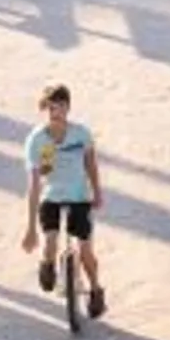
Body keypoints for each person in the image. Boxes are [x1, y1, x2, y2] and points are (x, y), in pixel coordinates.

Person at [21, 83, 107, 319]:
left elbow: (91, 163)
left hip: (80, 197)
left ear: (68, 108)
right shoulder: (37, 140)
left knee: (86, 250)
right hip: (52, 198)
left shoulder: (81, 134)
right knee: (50, 243)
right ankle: (47, 264)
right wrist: (30, 229)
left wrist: (97, 192)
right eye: (49, 108)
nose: (54, 112)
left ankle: (96, 290)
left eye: (58, 107)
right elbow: (35, 183)